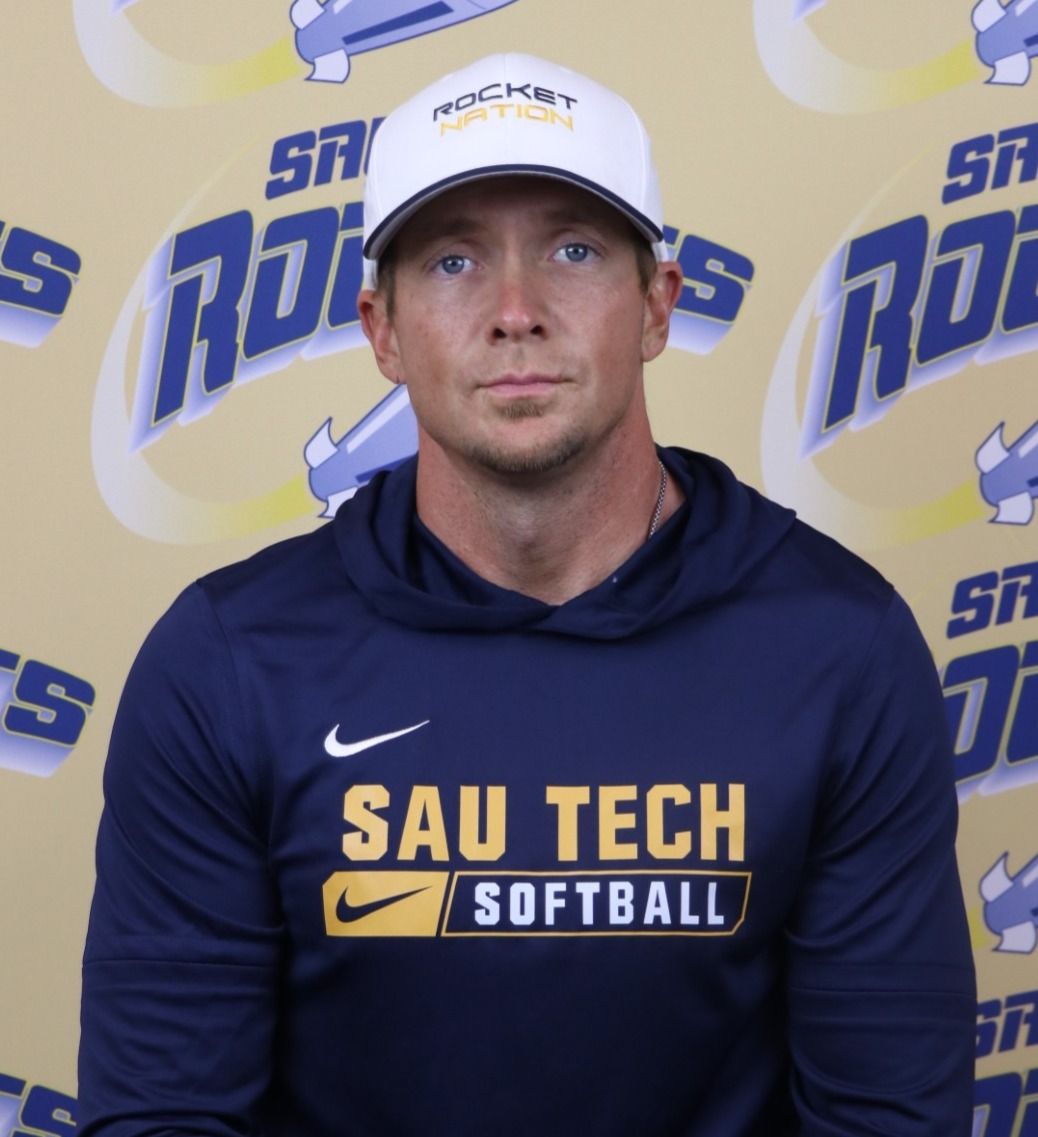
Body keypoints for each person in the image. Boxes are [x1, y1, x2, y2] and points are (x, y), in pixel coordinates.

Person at [78, 52, 976, 1136]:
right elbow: (163, 1119)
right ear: (382, 330)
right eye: (453, 261)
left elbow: (885, 1119)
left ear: (656, 306)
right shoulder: (228, 661)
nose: (515, 310)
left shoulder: (840, 648)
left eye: (575, 248)